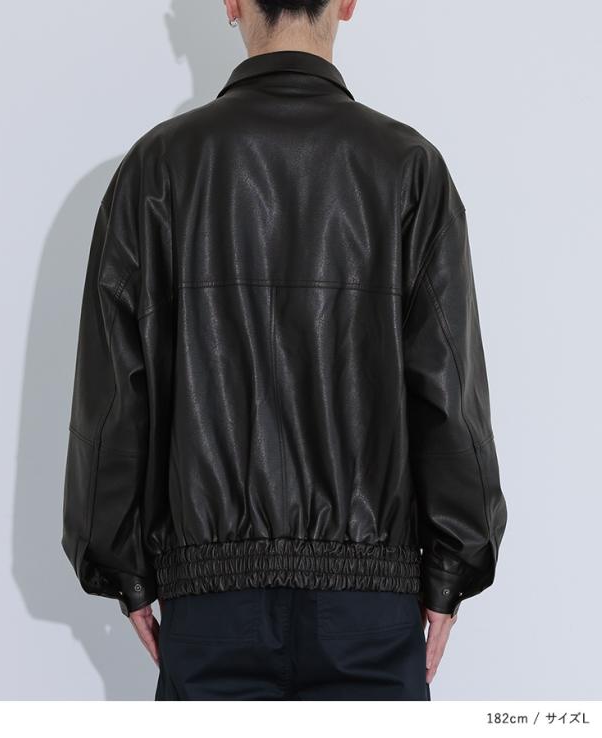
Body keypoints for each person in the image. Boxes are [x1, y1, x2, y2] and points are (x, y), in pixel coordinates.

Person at [61, 0, 507, 701]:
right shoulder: (410, 169)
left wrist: (125, 569)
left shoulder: (157, 169)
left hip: (209, 603)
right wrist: (452, 568)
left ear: (231, 3)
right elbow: (447, 390)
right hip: (369, 608)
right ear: (348, 4)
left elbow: (113, 397)